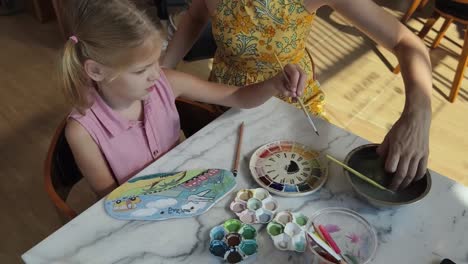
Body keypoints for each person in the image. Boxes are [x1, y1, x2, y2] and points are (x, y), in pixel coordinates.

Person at [162, 0, 433, 191]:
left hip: (293, 103)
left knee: (308, 185)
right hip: (227, 102)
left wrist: (417, 115)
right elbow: (196, 16)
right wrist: (162, 72)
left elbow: (406, 43)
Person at [61, 0, 307, 197]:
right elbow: (113, 199)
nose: (156, 74)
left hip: (188, 191)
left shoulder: (166, 81)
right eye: (140, 70)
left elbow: (238, 96)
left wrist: (274, 83)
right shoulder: (82, 132)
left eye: (156, 62)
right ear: (96, 71)